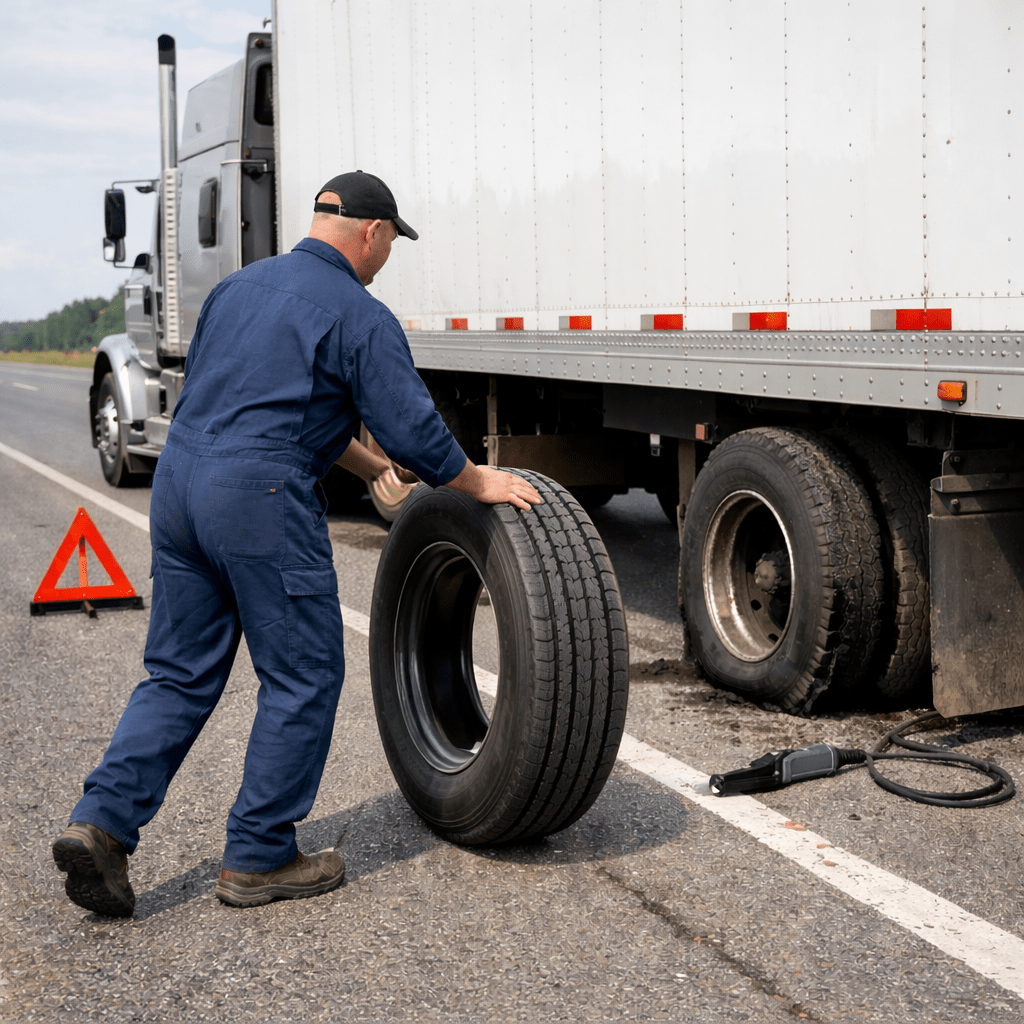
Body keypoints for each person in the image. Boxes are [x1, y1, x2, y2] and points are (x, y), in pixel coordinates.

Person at [52, 170, 542, 917]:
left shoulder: (238, 290)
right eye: (390, 244)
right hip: (259, 500)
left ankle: (103, 825)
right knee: (303, 673)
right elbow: (414, 428)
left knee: (179, 673)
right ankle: (258, 856)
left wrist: (373, 466)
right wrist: (477, 481)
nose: (385, 258)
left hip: (183, 485)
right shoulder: (360, 313)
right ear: (372, 233)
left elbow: (269, 401)